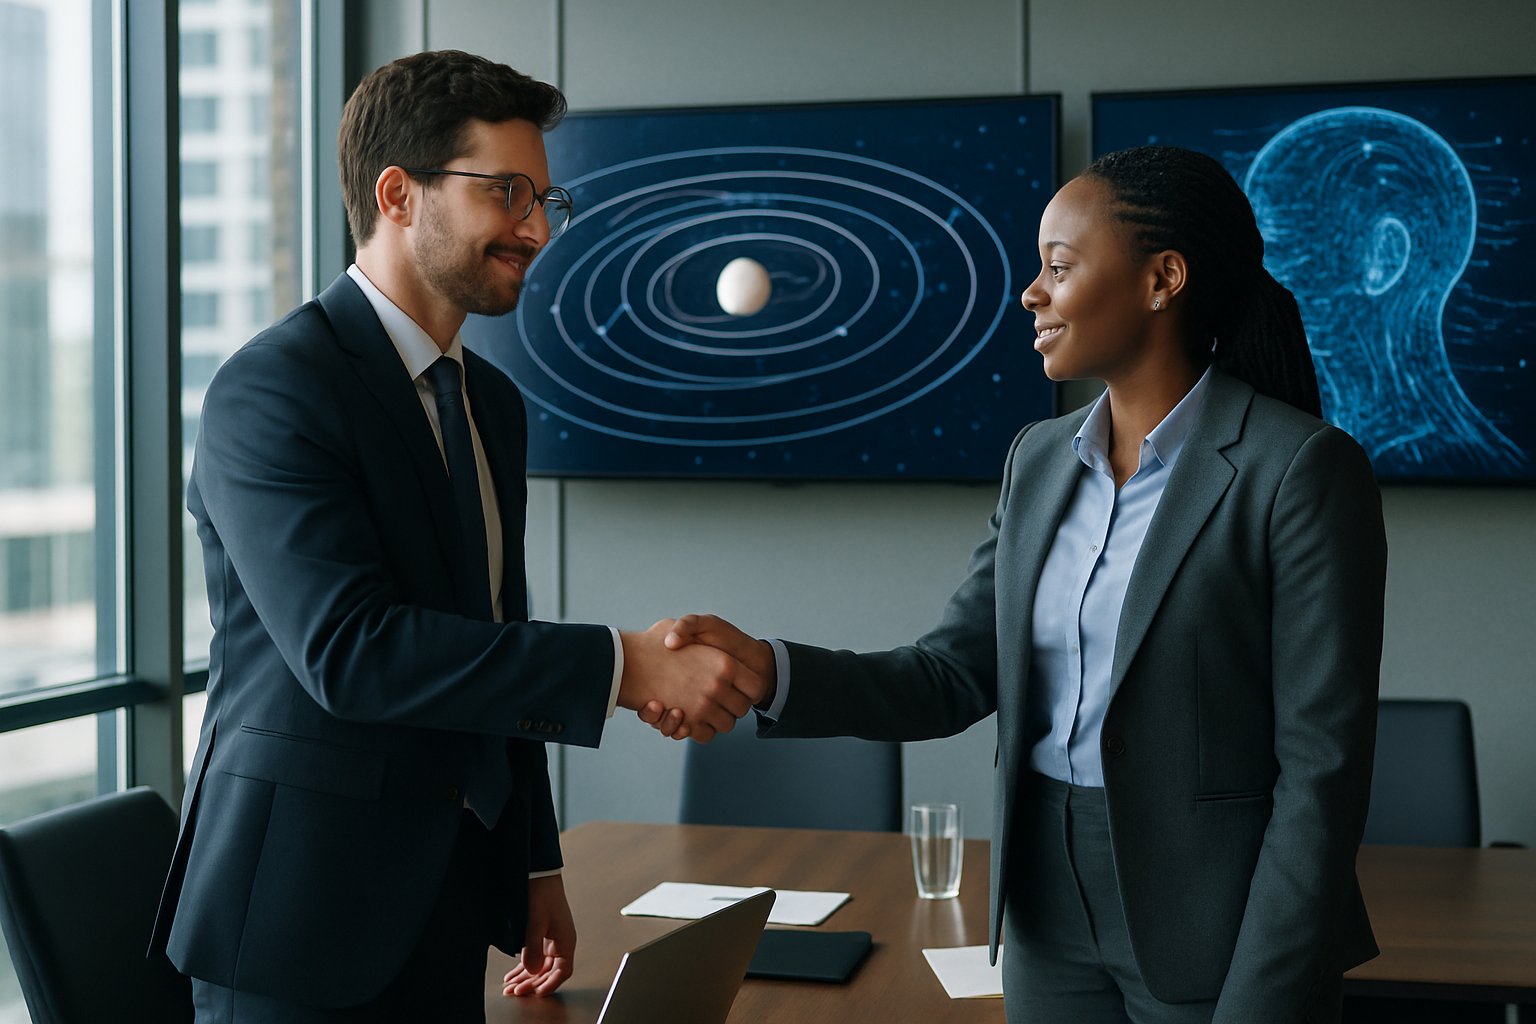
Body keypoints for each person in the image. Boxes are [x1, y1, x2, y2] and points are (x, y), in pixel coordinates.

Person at [654, 146, 1388, 1024]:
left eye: (1059, 267)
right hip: (1045, 911)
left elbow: (1322, 772)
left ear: (1164, 278)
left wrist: (1266, 999)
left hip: (1220, 925)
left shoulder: (1299, 468)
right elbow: (952, 673)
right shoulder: (1038, 461)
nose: (1031, 293)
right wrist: (768, 672)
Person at [150, 50, 765, 1024]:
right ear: (398, 194)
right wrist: (624, 667)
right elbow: (351, 652)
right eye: (508, 193)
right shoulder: (273, 389)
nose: (534, 228)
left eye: (545, 202)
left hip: (444, 904)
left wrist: (533, 858)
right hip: (296, 923)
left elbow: (488, 631)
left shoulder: (491, 403)